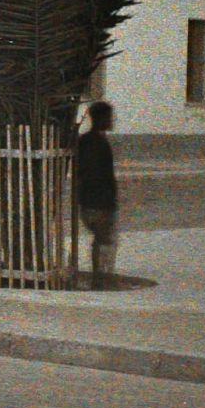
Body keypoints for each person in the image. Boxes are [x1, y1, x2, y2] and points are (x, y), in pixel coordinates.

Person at [76, 100, 119, 285]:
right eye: (109, 116)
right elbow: (102, 174)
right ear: (101, 118)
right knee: (104, 240)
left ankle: (99, 276)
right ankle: (100, 278)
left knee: (100, 240)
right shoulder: (99, 144)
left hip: (87, 200)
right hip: (101, 201)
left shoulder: (84, 141)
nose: (112, 120)